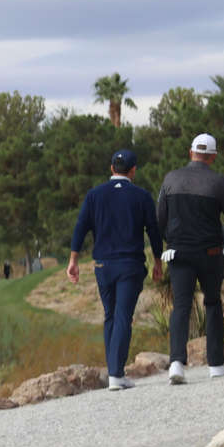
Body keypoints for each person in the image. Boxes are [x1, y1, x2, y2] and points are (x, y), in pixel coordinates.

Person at [67, 149, 163, 390]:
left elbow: (80, 228)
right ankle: (116, 375)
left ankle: (114, 372)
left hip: (102, 265)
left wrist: (73, 260)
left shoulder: (94, 195)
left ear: (111, 169)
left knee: (110, 314)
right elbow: (153, 231)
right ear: (133, 171)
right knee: (123, 316)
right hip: (129, 265)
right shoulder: (141, 196)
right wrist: (158, 262)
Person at [158, 133, 224, 383]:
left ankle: (176, 363)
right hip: (210, 253)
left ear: (191, 152)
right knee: (213, 304)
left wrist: (171, 241)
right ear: (213, 157)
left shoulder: (170, 179)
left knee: (181, 307)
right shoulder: (218, 182)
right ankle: (216, 364)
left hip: (178, 253)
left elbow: (160, 218)